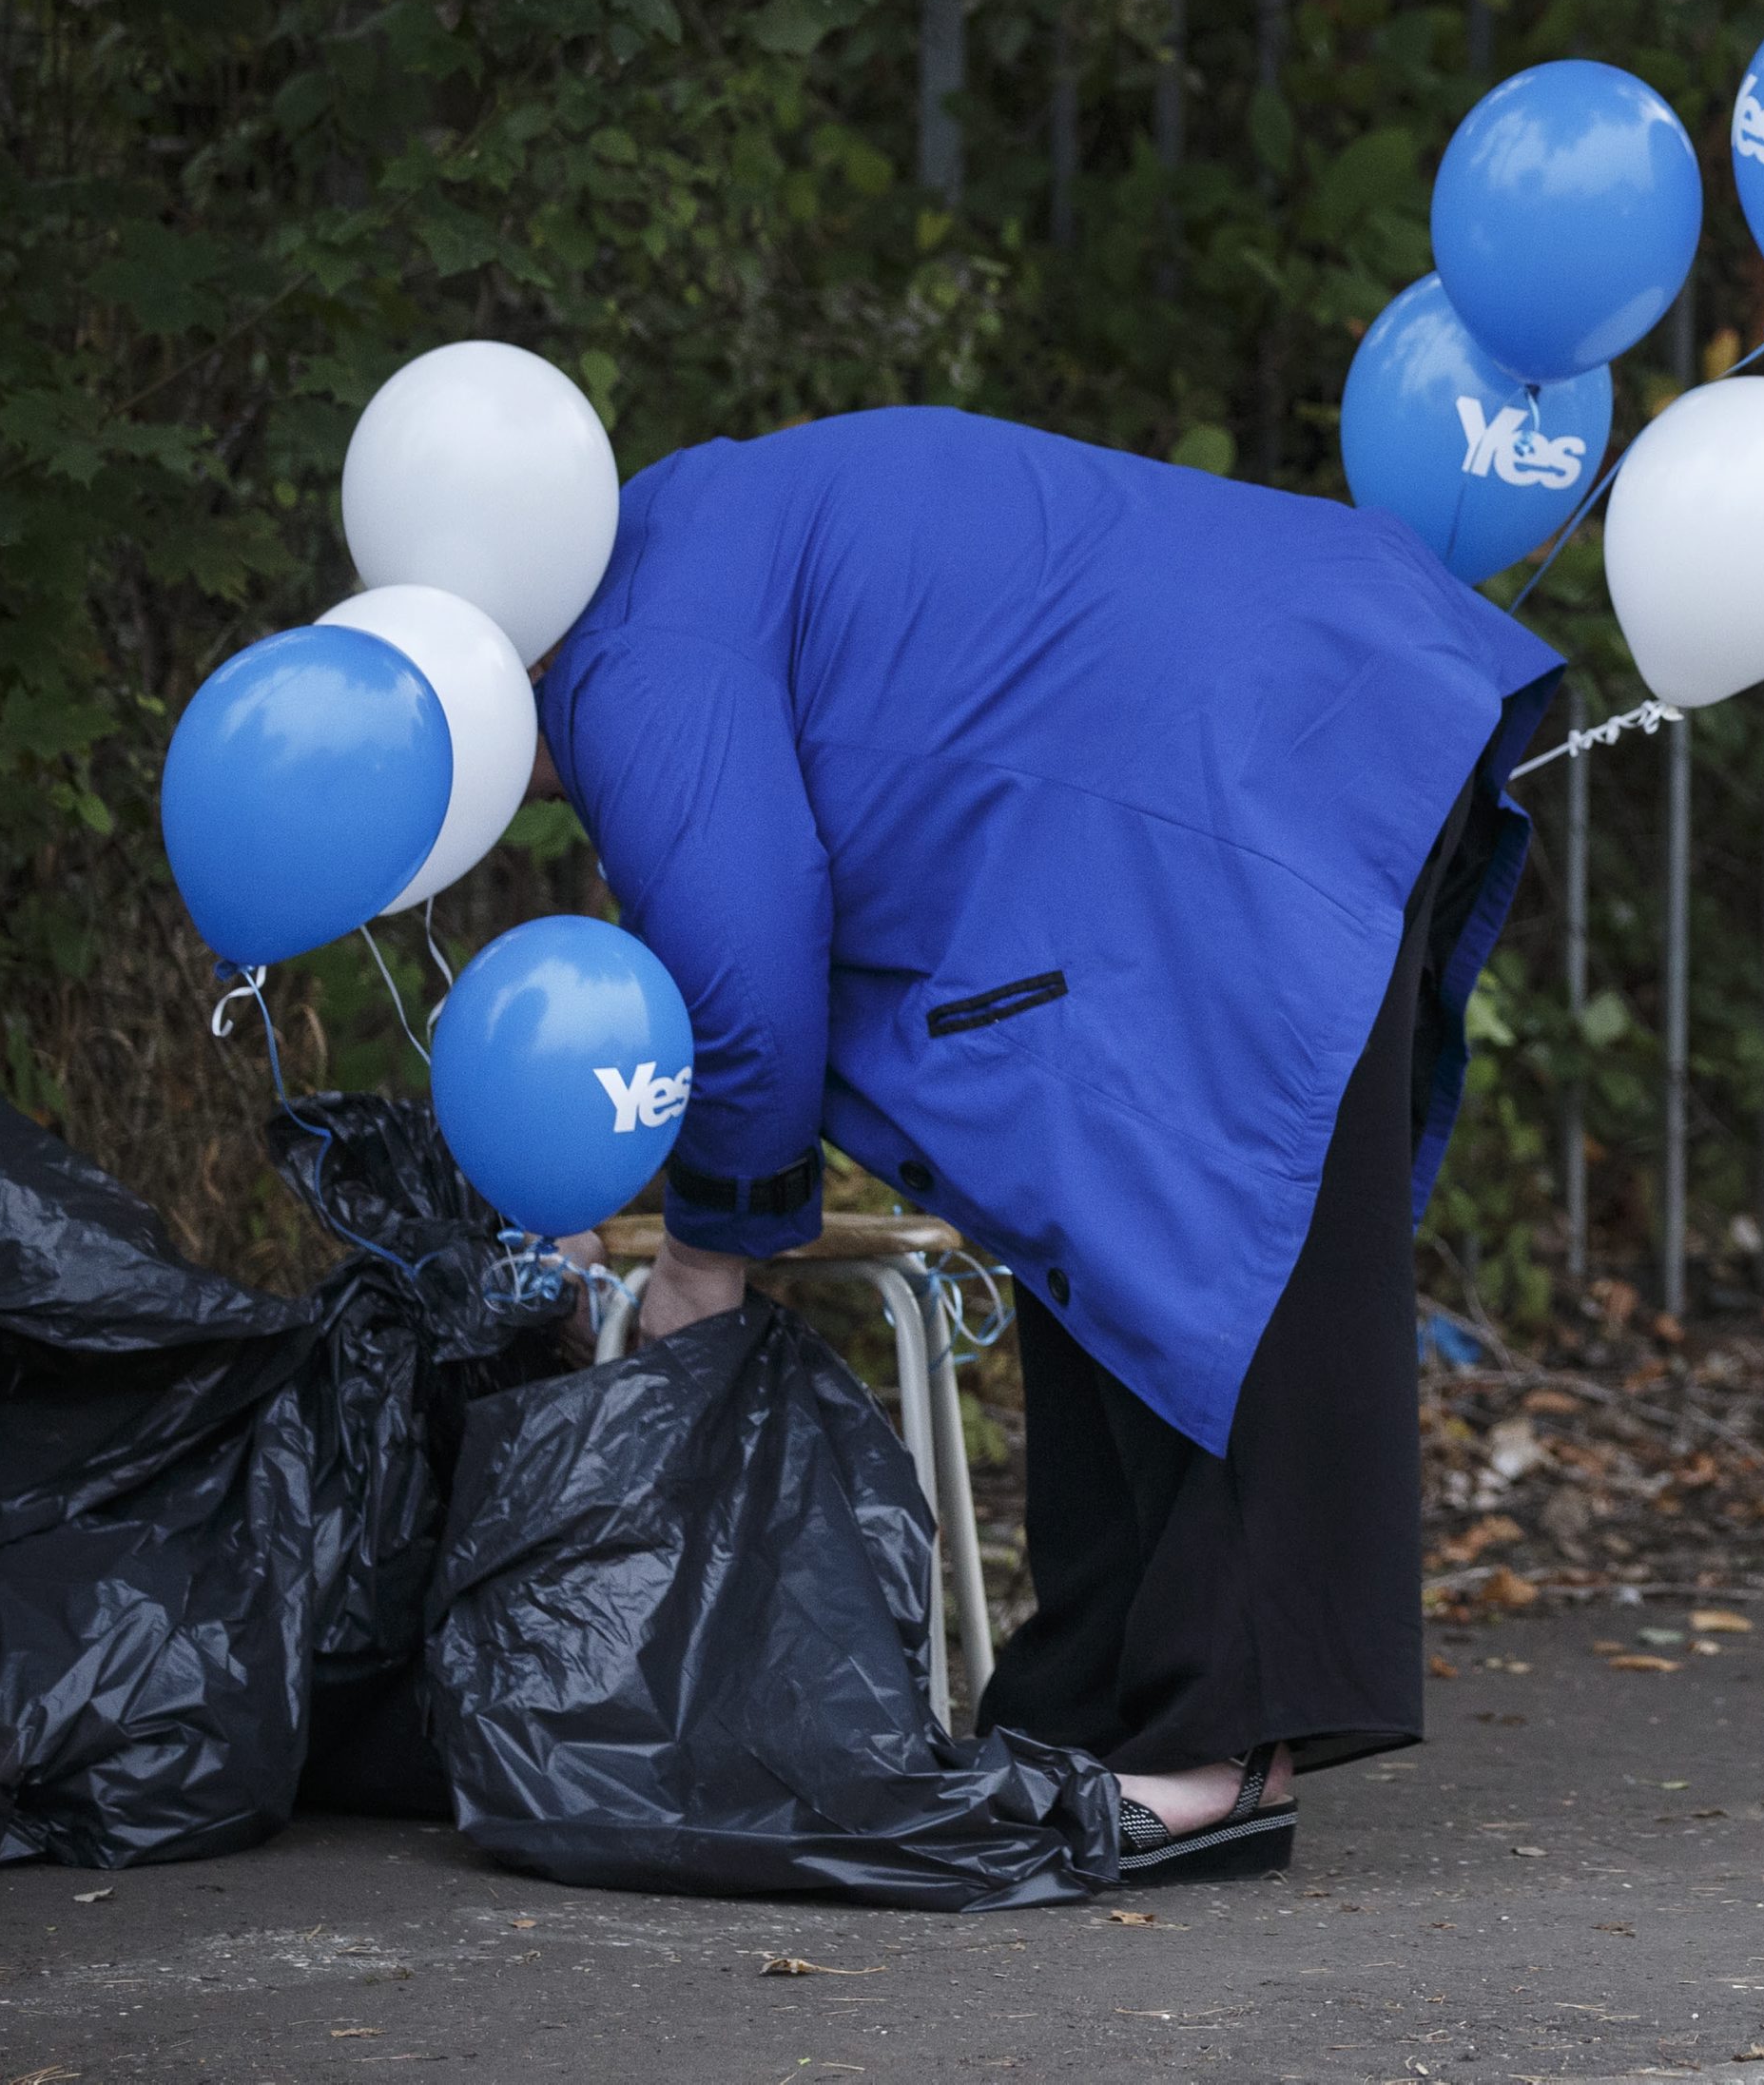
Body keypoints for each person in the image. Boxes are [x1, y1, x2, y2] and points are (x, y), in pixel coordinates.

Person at [528, 406, 1562, 1876]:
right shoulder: (666, 536)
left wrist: (710, 1251)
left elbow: (747, 969)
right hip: (1267, 712)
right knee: (1114, 1214)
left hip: (1262, 751)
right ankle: (1094, 1700)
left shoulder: (624, 662)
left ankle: (1223, 1752)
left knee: (1240, 1228)